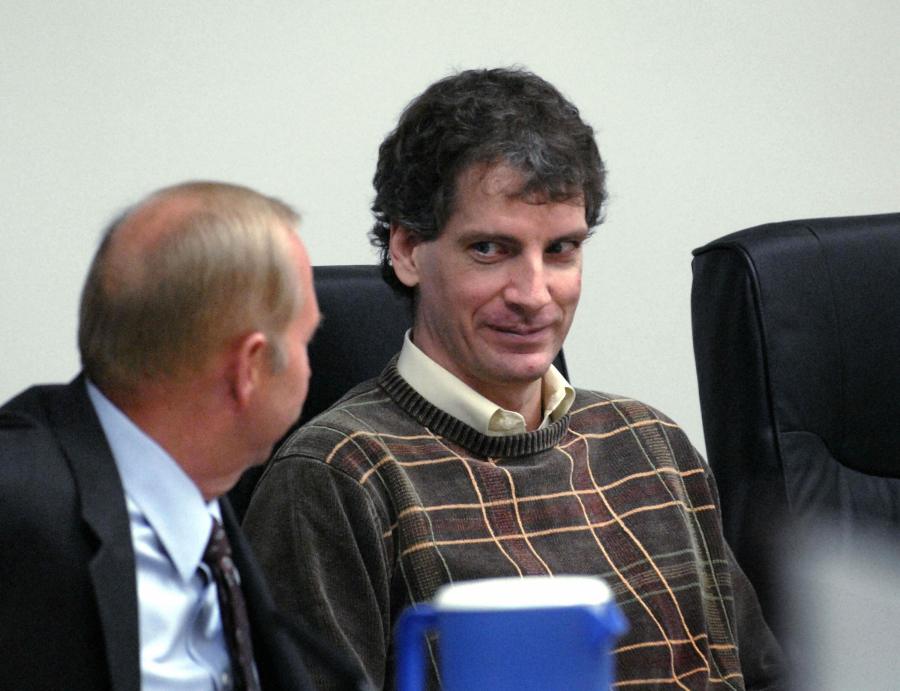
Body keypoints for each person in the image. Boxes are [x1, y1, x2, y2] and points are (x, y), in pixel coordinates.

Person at [243, 69, 784, 690]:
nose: (534, 295)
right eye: (490, 250)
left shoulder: (654, 445)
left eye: (561, 250)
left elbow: (765, 678)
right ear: (407, 249)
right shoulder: (335, 477)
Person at [0, 182, 361, 690]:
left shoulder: (209, 499)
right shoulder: (19, 505)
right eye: (306, 340)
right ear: (250, 368)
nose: (309, 365)